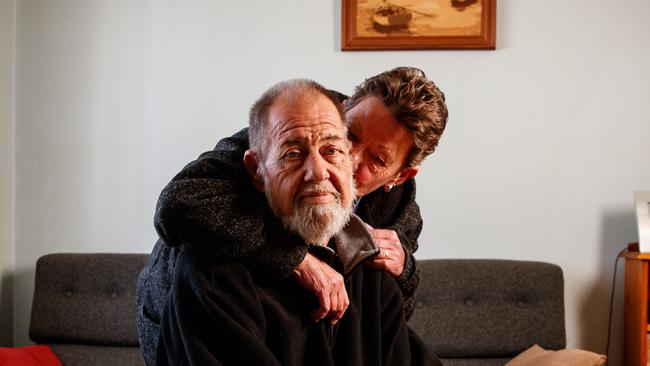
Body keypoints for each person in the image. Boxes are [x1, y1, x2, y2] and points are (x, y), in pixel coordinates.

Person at [137, 67, 448, 364]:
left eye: (377, 158)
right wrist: (294, 258)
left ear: (401, 175)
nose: (349, 159)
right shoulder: (286, 128)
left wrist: (405, 269)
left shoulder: (395, 209)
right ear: (342, 109)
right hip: (186, 320)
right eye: (349, 136)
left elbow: (386, 325)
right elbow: (175, 206)